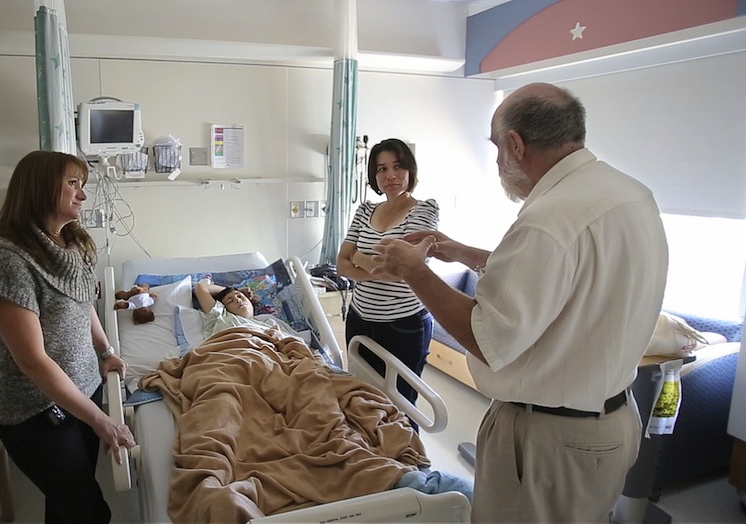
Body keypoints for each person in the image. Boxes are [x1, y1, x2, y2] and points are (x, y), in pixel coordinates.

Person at [370, 83, 669, 522]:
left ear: (515, 144)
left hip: (550, 439)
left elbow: (487, 337)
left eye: (496, 148)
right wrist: (460, 251)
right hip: (609, 423)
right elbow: (568, 277)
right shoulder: (629, 193)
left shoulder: (548, 218)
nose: (496, 162)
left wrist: (414, 271)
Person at [0, 150, 136, 524]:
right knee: (88, 511)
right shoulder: (7, 261)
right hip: (36, 412)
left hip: (85, 392)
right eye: (73, 184)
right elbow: (32, 360)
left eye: (82, 185)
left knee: (66, 503)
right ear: (40, 187)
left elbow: (83, 306)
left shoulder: (73, 243)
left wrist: (106, 350)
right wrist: (101, 419)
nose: (82, 195)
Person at [335, 138, 439, 428]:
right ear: (374, 176)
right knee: (361, 400)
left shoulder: (424, 211)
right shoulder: (366, 211)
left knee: (402, 407)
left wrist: (359, 256)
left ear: (409, 170)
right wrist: (372, 264)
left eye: (397, 166)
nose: (390, 175)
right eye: (382, 169)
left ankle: (409, 467)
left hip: (402, 325)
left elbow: (403, 271)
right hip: (359, 319)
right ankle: (372, 462)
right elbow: (341, 264)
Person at [194, 278, 301, 340]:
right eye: (230, 301)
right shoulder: (222, 316)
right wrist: (236, 290)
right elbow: (200, 288)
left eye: (240, 296)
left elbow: (296, 342)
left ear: (250, 301)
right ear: (224, 308)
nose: (237, 300)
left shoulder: (269, 321)